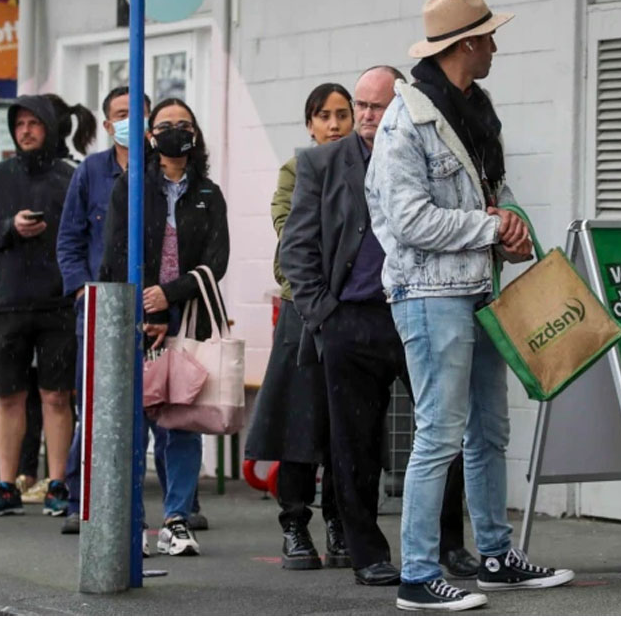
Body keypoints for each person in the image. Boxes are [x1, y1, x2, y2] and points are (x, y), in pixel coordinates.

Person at [366, 0, 574, 612]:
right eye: (487, 36)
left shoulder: (470, 107)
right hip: (428, 294)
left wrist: (508, 226)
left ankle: (496, 556)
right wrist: (492, 228)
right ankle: (418, 576)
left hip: (477, 289)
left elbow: (493, 189)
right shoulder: (408, 120)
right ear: (465, 44)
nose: (494, 45)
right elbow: (408, 220)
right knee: (439, 433)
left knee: (488, 428)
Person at [280, 67, 480, 586]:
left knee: (442, 432)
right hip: (351, 319)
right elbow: (297, 248)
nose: (367, 116)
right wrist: (325, 315)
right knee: (355, 445)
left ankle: (451, 544)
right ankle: (367, 551)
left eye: (378, 106)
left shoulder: (421, 151)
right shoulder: (320, 163)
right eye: (361, 106)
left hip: (418, 305)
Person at [100, 97, 229, 556]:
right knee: (133, 422)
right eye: (166, 124)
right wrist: (147, 311)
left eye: (184, 124)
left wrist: (169, 298)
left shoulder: (209, 193)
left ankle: (176, 520)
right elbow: (117, 254)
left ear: (195, 135)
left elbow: (217, 261)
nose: (176, 131)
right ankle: (132, 521)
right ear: (151, 136)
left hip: (186, 318)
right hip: (137, 318)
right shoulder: (131, 186)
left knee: (180, 421)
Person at [245, 82, 356, 570]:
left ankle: (339, 522)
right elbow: (292, 234)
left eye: (342, 114)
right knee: (298, 422)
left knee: (344, 428)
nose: (334, 124)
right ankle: (294, 524)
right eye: (323, 115)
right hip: (304, 310)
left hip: (354, 312)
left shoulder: (370, 168)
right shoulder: (296, 171)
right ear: (309, 123)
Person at [56, 87, 150, 535]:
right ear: (108, 125)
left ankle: (175, 508)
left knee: (158, 407)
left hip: (152, 307)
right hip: (96, 309)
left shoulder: (160, 168)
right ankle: (80, 499)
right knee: (92, 407)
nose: (130, 121)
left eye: (138, 113)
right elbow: (69, 240)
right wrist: (81, 293)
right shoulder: (91, 172)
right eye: (120, 114)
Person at [0, 96, 76, 518]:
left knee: (57, 396)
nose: (25, 130)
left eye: (33, 123)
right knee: (8, 397)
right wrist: (9, 227)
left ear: (49, 128)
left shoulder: (69, 177)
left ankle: (58, 482)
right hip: (7, 302)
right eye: (18, 123)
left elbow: (81, 236)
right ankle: (7, 484)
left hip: (59, 302)